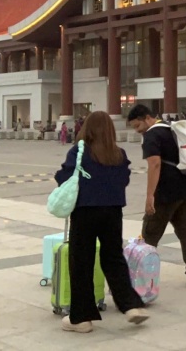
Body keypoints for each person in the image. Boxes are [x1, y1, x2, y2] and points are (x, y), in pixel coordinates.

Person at [53, 111, 149, 333]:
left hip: (85, 212)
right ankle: (131, 305)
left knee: (81, 262)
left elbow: (64, 177)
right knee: (113, 258)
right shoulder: (118, 153)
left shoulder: (79, 151)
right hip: (113, 212)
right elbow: (123, 179)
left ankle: (82, 318)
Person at [128, 104, 186, 288]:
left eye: (137, 126)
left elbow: (154, 165)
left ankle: (141, 278)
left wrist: (149, 196)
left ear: (146, 118)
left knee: (150, 235)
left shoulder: (152, 135)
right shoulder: (172, 128)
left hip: (166, 192)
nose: (138, 131)